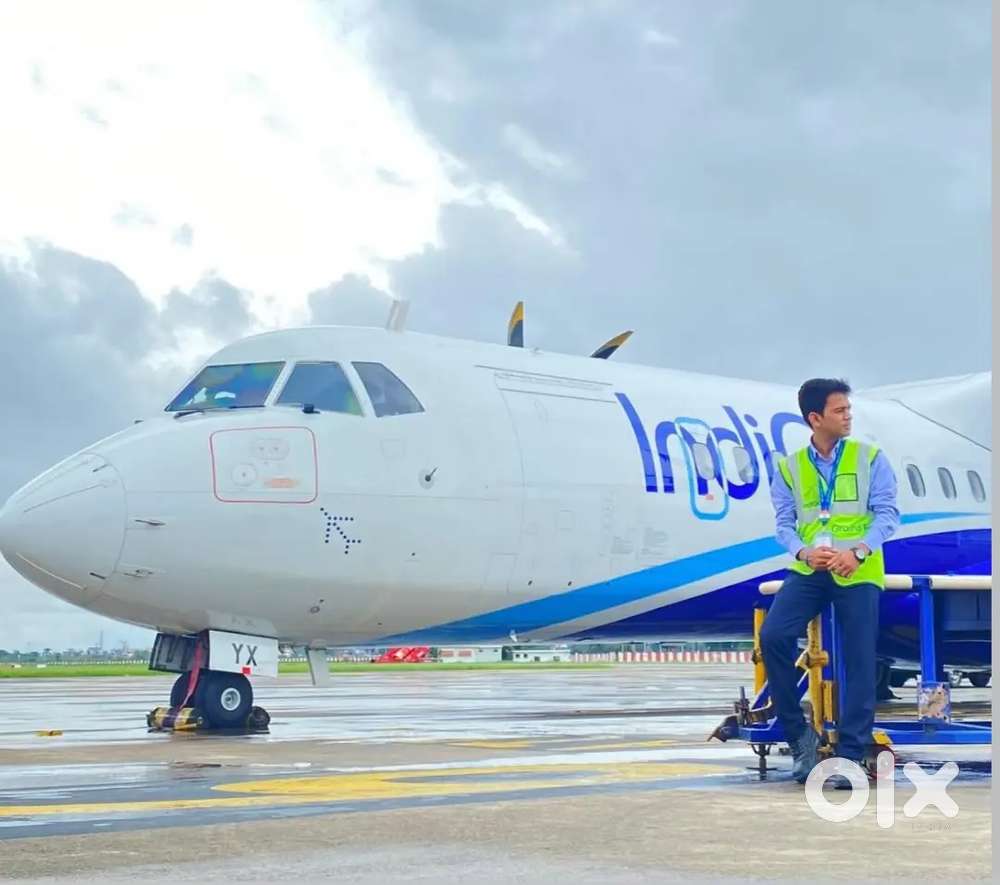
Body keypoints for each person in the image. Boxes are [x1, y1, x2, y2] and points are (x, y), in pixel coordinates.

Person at [762, 378, 899, 786]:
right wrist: (803, 552)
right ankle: (800, 737)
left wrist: (857, 552)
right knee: (774, 636)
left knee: (859, 658)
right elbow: (784, 525)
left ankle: (850, 756)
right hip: (811, 569)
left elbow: (888, 515)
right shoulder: (789, 468)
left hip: (857, 569)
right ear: (815, 418)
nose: (848, 416)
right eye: (840, 411)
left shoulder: (870, 458)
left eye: (848, 409)